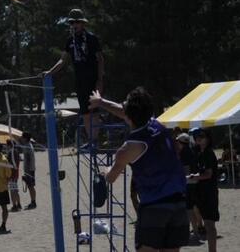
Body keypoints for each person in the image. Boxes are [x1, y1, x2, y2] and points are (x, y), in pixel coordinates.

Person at [90, 87, 189, 251]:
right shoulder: (158, 125)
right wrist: (101, 102)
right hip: (179, 205)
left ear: (129, 116)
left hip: (154, 207)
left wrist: (105, 171)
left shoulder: (127, 149)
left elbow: (111, 177)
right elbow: (127, 113)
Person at [44, 8, 104, 149]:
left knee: (94, 110)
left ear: (83, 23)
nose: (74, 25)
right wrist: (50, 72)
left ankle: (95, 140)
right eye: (72, 22)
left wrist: (100, 80)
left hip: (93, 79)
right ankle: (91, 141)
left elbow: (100, 59)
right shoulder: (70, 41)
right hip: (80, 80)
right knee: (85, 111)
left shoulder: (92, 38)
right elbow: (63, 60)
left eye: (77, 22)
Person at [190, 128, 219, 252]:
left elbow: (208, 174)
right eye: (197, 137)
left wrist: (195, 177)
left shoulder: (208, 153)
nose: (199, 139)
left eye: (202, 136)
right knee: (197, 214)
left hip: (209, 192)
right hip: (199, 191)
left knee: (210, 225)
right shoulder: (198, 152)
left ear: (208, 139)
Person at [175, 132, 203, 240]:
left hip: (188, 182)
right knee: (194, 206)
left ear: (181, 142)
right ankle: (198, 228)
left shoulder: (184, 153)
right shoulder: (191, 151)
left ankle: (194, 232)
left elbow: (186, 170)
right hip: (195, 181)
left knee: (189, 208)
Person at [20, 132, 36, 209]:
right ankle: (33, 201)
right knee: (30, 186)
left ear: (25, 138)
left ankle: (33, 202)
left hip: (29, 170)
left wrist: (27, 172)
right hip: (30, 169)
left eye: (22, 137)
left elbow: (28, 159)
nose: (21, 138)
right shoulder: (28, 145)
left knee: (31, 186)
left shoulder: (27, 146)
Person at [6, 140, 21, 212]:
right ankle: (19, 204)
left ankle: (14, 206)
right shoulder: (16, 151)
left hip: (12, 174)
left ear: (9, 145)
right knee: (15, 189)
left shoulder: (11, 152)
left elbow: (10, 164)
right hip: (16, 174)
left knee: (12, 190)